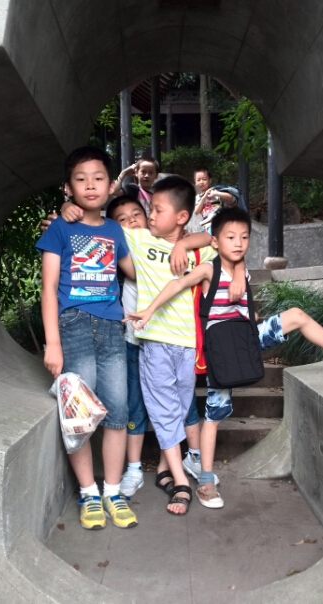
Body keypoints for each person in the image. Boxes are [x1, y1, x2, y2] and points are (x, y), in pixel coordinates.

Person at [126, 206, 323, 510]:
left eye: (244, 237)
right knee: (214, 415)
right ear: (217, 241)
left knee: (296, 315)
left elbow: (235, 267)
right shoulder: (209, 269)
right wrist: (149, 310)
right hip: (222, 351)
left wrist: (241, 278)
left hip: (247, 339)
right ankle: (206, 482)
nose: (238, 243)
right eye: (230, 237)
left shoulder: (242, 269)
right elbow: (177, 283)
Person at [121, 176, 246, 515]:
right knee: (163, 411)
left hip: (189, 345)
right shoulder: (139, 239)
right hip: (156, 343)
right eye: (150, 208)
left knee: (177, 408)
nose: (149, 215)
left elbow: (224, 244)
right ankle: (180, 481)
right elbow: (100, 229)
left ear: (181, 216)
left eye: (157, 210)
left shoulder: (199, 250)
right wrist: (66, 212)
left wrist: (187, 245)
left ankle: (166, 468)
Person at [36, 146, 138, 531]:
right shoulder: (60, 229)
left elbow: (135, 270)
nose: (90, 185)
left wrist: (175, 244)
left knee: (117, 411)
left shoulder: (114, 231)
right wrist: (52, 342)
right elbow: (48, 289)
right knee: (78, 414)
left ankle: (112, 491)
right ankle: (89, 493)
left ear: (111, 186)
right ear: (68, 188)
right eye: (81, 179)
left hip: (112, 329)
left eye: (98, 178)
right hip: (73, 326)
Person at [104, 195, 217, 497]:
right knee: (137, 405)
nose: (132, 221)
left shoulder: (163, 244)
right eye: (122, 219)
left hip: (176, 338)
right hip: (136, 340)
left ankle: (187, 459)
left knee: (183, 404)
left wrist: (182, 243)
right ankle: (134, 468)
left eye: (137, 214)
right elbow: (99, 229)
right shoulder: (133, 246)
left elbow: (210, 238)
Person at [190, 167, 240, 233]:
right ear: (195, 182)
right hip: (206, 226)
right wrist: (204, 197)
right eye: (198, 180)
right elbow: (196, 211)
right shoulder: (197, 198)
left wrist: (216, 193)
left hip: (218, 223)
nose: (201, 182)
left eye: (204, 179)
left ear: (210, 180)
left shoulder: (215, 191)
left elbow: (231, 198)